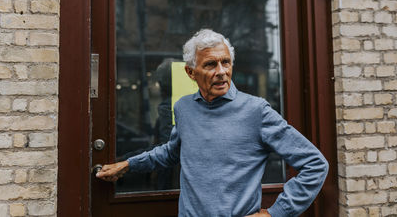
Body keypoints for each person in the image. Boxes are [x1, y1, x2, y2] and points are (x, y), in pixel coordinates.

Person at [96, 29, 329, 217]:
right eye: (210, 64)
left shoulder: (256, 110)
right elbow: (171, 153)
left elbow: (315, 164)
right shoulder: (183, 107)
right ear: (190, 72)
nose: (221, 72)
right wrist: (127, 165)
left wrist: (276, 213)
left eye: (225, 63)